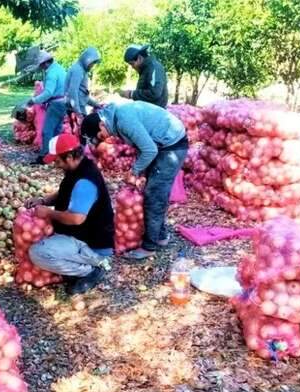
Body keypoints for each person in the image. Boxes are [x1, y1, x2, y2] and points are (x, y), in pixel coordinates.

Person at [81, 102, 188, 259]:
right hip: (161, 144)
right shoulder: (116, 119)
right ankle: (161, 236)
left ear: (101, 124)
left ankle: (149, 246)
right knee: (151, 191)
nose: (104, 139)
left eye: (99, 136)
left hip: (172, 146)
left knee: (154, 194)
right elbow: (142, 146)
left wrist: (135, 171)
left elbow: (150, 149)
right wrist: (140, 172)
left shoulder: (123, 120)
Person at [26, 133, 115, 295]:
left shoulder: (84, 182)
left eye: (57, 161)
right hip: (81, 236)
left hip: (92, 244)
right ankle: (78, 262)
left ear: (69, 156)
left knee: (37, 253)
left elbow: (76, 218)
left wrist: (48, 213)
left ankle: (91, 270)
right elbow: (64, 193)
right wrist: (43, 201)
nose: (55, 165)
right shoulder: (77, 168)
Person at [27, 51, 67, 165]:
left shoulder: (52, 73)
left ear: (45, 63)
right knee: (57, 129)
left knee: (47, 131)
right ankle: (56, 154)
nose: (40, 67)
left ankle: (44, 156)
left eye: (41, 65)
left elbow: (49, 92)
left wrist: (34, 100)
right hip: (63, 102)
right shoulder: (59, 68)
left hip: (56, 104)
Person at [119, 44, 168, 109]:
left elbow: (154, 93)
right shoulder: (146, 69)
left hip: (155, 113)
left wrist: (131, 94)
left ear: (139, 58)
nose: (132, 67)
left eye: (132, 64)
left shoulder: (154, 67)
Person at [65, 47, 101, 119]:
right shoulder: (77, 70)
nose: (92, 66)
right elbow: (73, 92)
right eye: (92, 63)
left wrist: (96, 104)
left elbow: (82, 95)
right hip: (75, 111)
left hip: (79, 109)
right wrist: (78, 112)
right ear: (87, 60)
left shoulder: (82, 70)